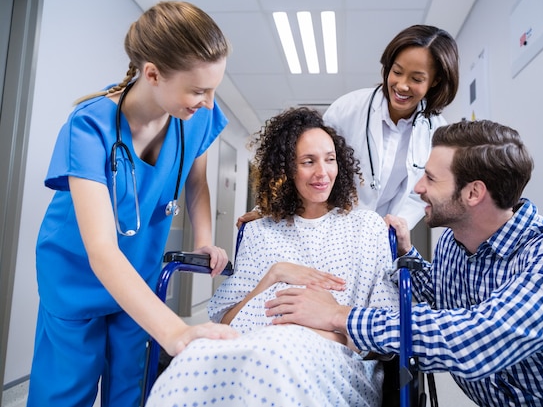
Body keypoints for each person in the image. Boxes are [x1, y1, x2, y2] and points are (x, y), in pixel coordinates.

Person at [266, 119, 543, 406]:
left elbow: (479, 337)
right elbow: (443, 291)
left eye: (431, 178)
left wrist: (337, 315)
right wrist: (405, 255)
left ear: (473, 193)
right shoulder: (453, 241)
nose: (418, 188)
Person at [28, 1, 239, 407]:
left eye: (214, 88)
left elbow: (196, 185)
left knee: (130, 392)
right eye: (198, 90)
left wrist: (205, 240)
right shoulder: (89, 126)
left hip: (137, 278)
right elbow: (102, 251)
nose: (209, 103)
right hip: (76, 278)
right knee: (64, 394)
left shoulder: (195, 119)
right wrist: (175, 331)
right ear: (152, 73)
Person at [146, 107, 399, 407]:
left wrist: (321, 328)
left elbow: (387, 335)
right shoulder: (260, 231)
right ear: (288, 170)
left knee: (273, 361)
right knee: (192, 359)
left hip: (329, 358)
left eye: (330, 159)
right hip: (254, 344)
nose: (322, 172)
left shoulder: (367, 227)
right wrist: (274, 274)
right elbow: (228, 322)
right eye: (308, 162)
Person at [237, 24, 459, 230]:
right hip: (332, 225)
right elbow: (307, 160)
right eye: (397, 72)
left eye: (416, 79)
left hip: (381, 234)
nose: (402, 85)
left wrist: (396, 225)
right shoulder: (348, 108)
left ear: (436, 81)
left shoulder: (436, 132)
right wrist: (266, 208)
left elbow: (418, 192)